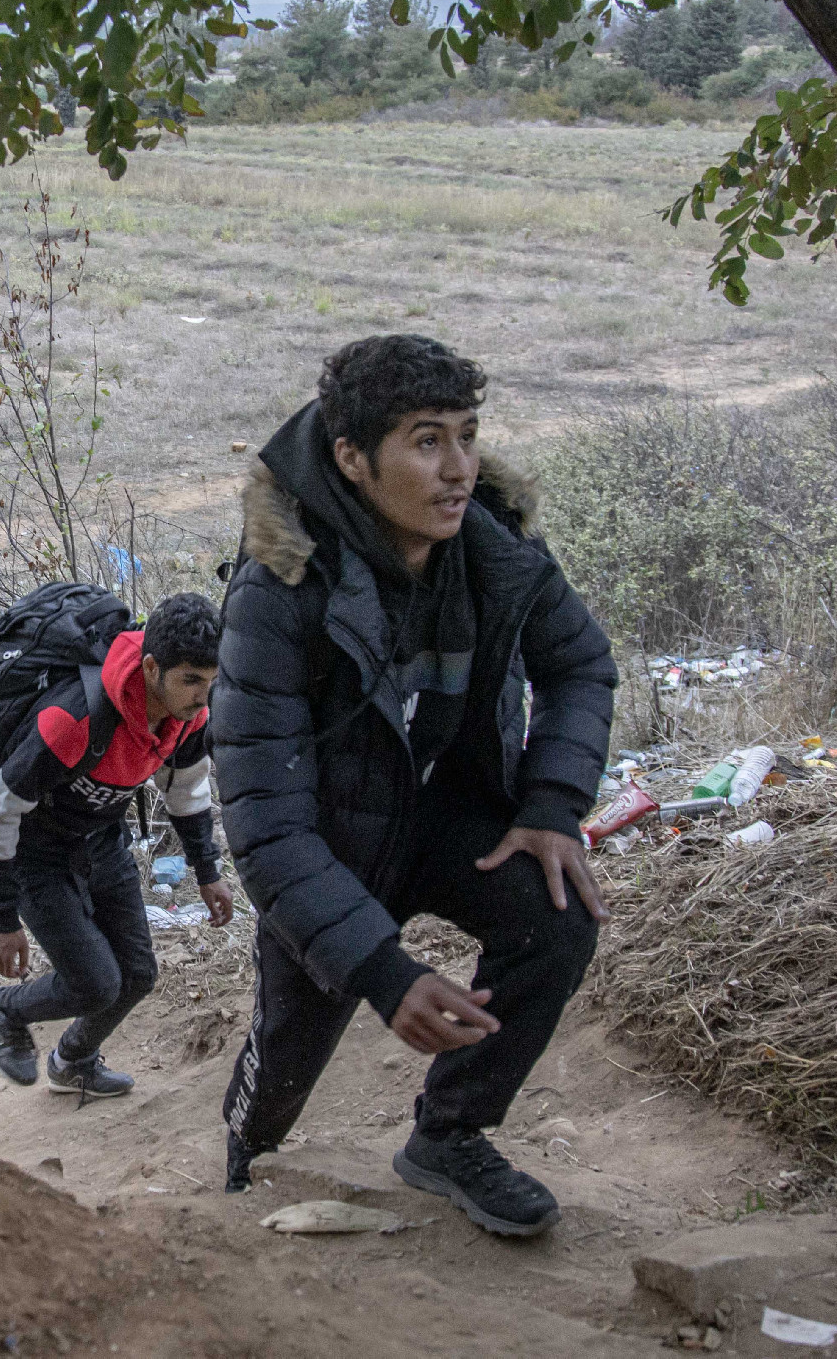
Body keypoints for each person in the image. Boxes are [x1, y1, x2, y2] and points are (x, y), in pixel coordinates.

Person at [212, 333, 617, 1236]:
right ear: (353, 459)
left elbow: (583, 666)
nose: (459, 469)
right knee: (290, 1047)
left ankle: (450, 1131)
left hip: (443, 816)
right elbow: (267, 827)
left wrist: (553, 806)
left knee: (556, 914)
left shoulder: (495, 551)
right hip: (329, 843)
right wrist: (385, 972)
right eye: (426, 441)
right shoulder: (278, 587)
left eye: (468, 436)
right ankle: (243, 1161)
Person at [0, 592, 236, 1100]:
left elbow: (188, 790)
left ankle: (73, 1062)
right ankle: (5, 1009)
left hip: (101, 837)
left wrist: (207, 872)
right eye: (190, 681)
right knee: (96, 983)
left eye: (210, 682)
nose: (203, 697)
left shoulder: (188, 719)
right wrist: (2, 919)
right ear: (153, 667)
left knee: (136, 974)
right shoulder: (76, 719)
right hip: (36, 853)